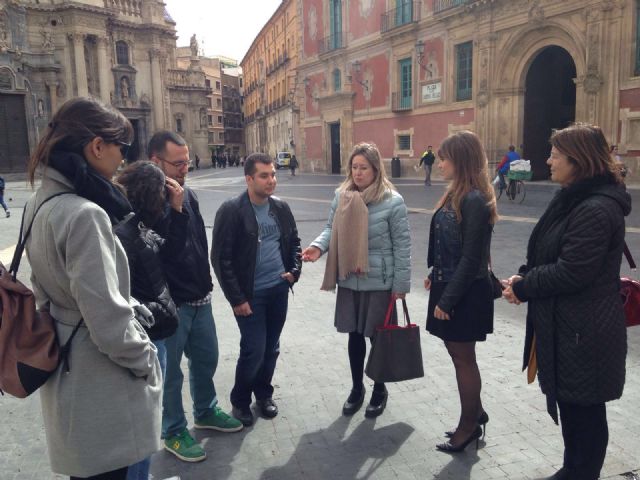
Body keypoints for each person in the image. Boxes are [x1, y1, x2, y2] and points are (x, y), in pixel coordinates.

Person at [24, 96, 161, 480]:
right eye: (123, 148)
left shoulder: (40, 202)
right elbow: (108, 322)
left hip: (67, 370)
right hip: (100, 382)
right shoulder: (85, 214)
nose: (124, 159)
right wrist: (145, 359)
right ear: (97, 147)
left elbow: (44, 288)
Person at [503, 124, 630, 480]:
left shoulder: (594, 208)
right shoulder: (573, 197)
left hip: (584, 329)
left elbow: (574, 271)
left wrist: (526, 286)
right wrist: (524, 276)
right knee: (575, 408)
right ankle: (573, 469)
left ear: (579, 160)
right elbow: (551, 250)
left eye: (555, 155)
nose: (548, 161)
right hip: (569, 326)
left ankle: (581, 473)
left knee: (585, 413)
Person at [149, 131, 242, 463]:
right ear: (155, 162)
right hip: (171, 304)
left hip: (199, 297)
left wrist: (206, 281)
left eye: (187, 162)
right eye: (178, 163)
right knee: (171, 372)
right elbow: (161, 252)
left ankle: (205, 410)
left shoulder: (187, 194)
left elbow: (196, 245)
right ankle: (173, 430)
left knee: (207, 358)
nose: (184, 169)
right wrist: (172, 210)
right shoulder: (147, 200)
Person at [301, 142, 411, 418]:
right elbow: (331, 228)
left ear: (376, 169)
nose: (358, 173)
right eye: (354, 167)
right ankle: (356, 388)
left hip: (379, 280)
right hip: (349, 276)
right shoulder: (342, 196)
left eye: (364, 168)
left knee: (378, 339)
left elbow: (403, 245)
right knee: (353, 336)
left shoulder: (392, 201)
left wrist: (400, 285)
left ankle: (379, 389)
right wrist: (318, 246)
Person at [211, 153, 302, 426]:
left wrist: (294, 273)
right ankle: (240, 401)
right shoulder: (232, 210)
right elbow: (221, 258)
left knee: (271, 348)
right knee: (254, 349)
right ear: (249, 178)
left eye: (273, 174)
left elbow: (294, 242)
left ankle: (263, 395)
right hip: (250, 296)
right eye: (264, 175)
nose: (271, 180)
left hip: (278, 290)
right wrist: (237, 298)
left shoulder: (281, 208)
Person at [424, 130, 497, 453]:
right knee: (459, 355)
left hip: (464, 291)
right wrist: (433, 273)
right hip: (450, 283)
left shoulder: (474, 200)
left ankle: (469, 426)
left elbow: (471, 258)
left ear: (461, 161)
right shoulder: (459, 194)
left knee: (464, 359)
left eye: (444, 158)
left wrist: (447, 299)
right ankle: (475, 412)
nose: (440, 164)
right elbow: (450, 246)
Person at [114, 161, 187, 480]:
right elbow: (169, 256)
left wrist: (176, 211)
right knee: (143, 423)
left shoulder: (136, 225)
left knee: (145, 420)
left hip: (153, 329)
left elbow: (170, 250)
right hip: (147, 335)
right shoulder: (127, 233)